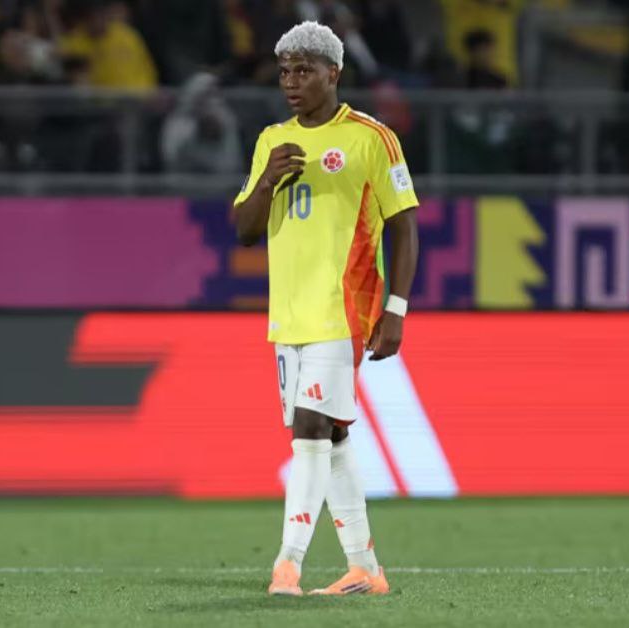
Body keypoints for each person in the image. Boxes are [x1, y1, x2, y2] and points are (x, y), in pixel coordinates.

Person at [232, 21, 419, 596]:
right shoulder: (272, 140)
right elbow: (244, 229)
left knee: (310, 432)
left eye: (304, 71)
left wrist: (396, 309)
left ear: (333, 73)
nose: (292, 82)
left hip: (344, 309)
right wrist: (268, 179)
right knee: (329, 437)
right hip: (287, 315)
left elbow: (405, 226)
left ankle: (286, 564)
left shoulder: (371, 137)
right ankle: (365, 567)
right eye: (285, 72)